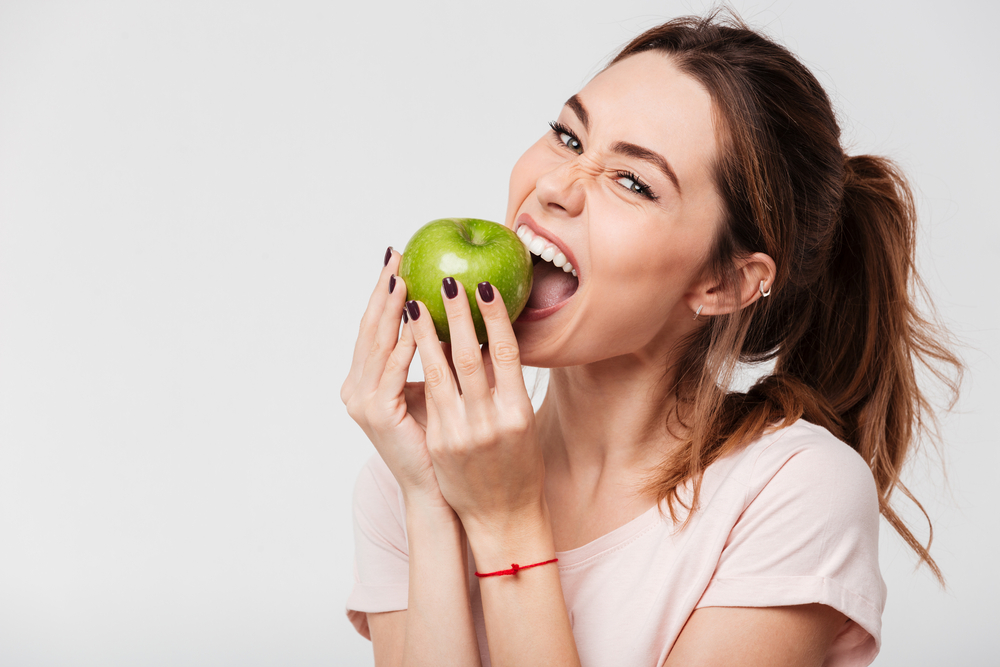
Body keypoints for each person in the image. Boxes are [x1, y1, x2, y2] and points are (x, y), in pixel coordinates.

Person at [340, 12, 961, 667]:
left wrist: (506, 523)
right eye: (567, 136)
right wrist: (432, 502)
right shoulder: (411, 470)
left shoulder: (790, 492)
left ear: (725, 282)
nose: (554, 187)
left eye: (632, 181)